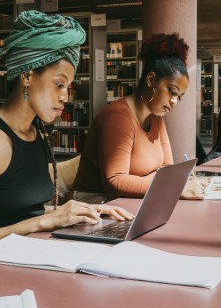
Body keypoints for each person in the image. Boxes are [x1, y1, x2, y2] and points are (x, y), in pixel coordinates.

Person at [0, 10, 132, 264]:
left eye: (69, 87)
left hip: (29, 257)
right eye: (59, 84)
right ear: (28, 75)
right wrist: (42, 221)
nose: (66, 96)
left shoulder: (37, 132)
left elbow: (22, 210)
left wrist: (76, 211)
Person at [70, 33, 208, 203]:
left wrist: (164, 182)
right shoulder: (118, 118)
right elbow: (116, 181)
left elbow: (166, 169)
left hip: (131, 199)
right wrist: (171, 186)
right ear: (151, 80)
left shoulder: (156, 117)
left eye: (179, 97)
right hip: (96, 203)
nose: (174, 101)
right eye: (172, 91)